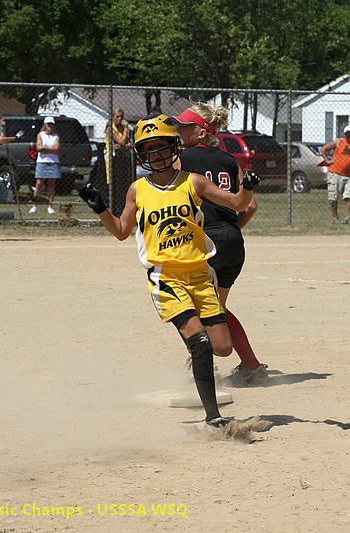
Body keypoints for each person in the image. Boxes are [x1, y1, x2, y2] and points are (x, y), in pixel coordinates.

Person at [77, 114, 259, 428]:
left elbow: (238, 203)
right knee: (201, 344)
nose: (156, 155)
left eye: (162, 147)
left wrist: (248, 189)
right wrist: (100, 208)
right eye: (148, 150)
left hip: (201, 275)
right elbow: (122, 230)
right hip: (166, 277)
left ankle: (206, 385)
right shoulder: (138, 190)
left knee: (223, 348)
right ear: (140, 155)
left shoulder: (193, 181)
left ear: (174, 147)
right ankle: (213, 417)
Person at [169, 102, 267, 385]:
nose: (179, 130)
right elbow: (250, 206)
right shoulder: (229, 160)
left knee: (194, 308)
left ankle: (203, 365)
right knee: (217, 309)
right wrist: (230, 229)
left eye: (185, 126)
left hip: (205, 243)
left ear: (201, 132)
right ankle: (251, 367)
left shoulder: (182, 159)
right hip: (232, 241)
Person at [321, 125, 350, 224]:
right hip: (335, 173)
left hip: (348, 175)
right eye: (347, 134)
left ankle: (348, 217)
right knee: (333, 197)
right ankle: (335, 218)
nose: (349, 136)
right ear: (345, 134)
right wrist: (327, 160)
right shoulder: (339, 142)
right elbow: (324, 149)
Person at [105, 108, 135, 216]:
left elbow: (129, 144)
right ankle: (115, 211)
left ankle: (124, 209)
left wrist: (124, 145)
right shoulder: (110, 129)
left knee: (125, 184)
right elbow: (122, 142)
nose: (120, 119)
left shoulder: (122, 128)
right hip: (113, 159)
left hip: (122, 158)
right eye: (117, 116)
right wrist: (126, 129)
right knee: (115, 185)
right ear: (113, 117)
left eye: (121, 117)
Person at [29, 117, 60, 214]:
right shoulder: (40, 135)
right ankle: (35, 205)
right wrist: (51, 149)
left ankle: (50, 206)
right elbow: (39, 148)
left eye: (51, 124)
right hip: (42, 162)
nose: (50, 126)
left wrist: (45, 149)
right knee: (39, 183)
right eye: (48, 124)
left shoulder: (56, 136)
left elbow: (57, 148)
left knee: (51, 184)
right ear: (45, 125)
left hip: (53, 162)